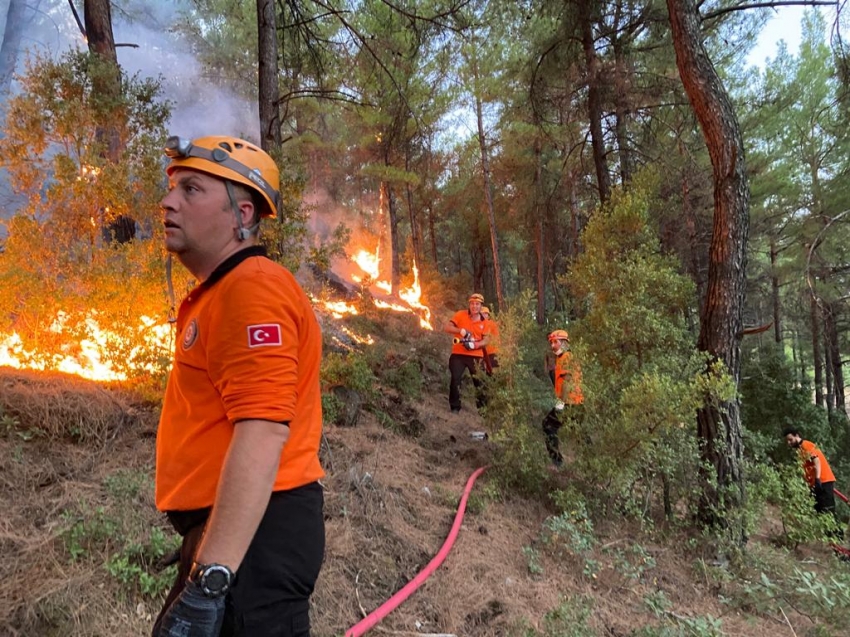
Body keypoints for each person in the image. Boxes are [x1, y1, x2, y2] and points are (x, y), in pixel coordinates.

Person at [153, 135, 325, 637]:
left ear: (241, 214)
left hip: (255, 539)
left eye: (192, 189)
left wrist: (210, 581)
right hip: (237, 536)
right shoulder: (225, 290)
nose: (168, 201)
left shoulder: (251, 287)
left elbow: (263, 430)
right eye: (171, 189)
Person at [783, 427, 841, 536]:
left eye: (790, 439)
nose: (789, 443)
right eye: (787, 441)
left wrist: (818, 479)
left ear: (797, 436)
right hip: (815, 483)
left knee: (828, 510)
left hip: (823, 481)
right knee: (819, 510)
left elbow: (817, 462)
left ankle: (837, 538)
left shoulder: (806, 445)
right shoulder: (800, 449)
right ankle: (830, 538)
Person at [541, 329, 583, 468]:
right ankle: (592, 463)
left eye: (556, 342)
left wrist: (561, 403)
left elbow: (567, 381)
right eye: (551, 342)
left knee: (548, 425)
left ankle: (556, 461)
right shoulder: (562, 358)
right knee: (580, 433)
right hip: (576, 403)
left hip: (570, 403)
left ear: (564, 343)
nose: (553, 345)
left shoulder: (566, 358)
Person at [443, 293, 491, 413]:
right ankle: (455, 407)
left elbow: (487, 340)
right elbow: (447, 328)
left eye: (477, 304)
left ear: (481, 306)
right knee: (455, 378)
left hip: (476, 355)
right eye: (472, 304)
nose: (474, 306)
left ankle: (483, 409)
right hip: (458, 354)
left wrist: (475, 345)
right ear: (469, 304)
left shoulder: (485, 322)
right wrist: (461, 330)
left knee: (480, 382)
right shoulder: (460, 315)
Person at [480, 306, 500, 372]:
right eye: (481, 314)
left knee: (492, 373)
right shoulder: (489, 324)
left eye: (485, 314)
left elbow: (484, 335)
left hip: (492, 353)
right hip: (490, 353)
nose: (483, 315)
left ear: (488, 315)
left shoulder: (489, 323)